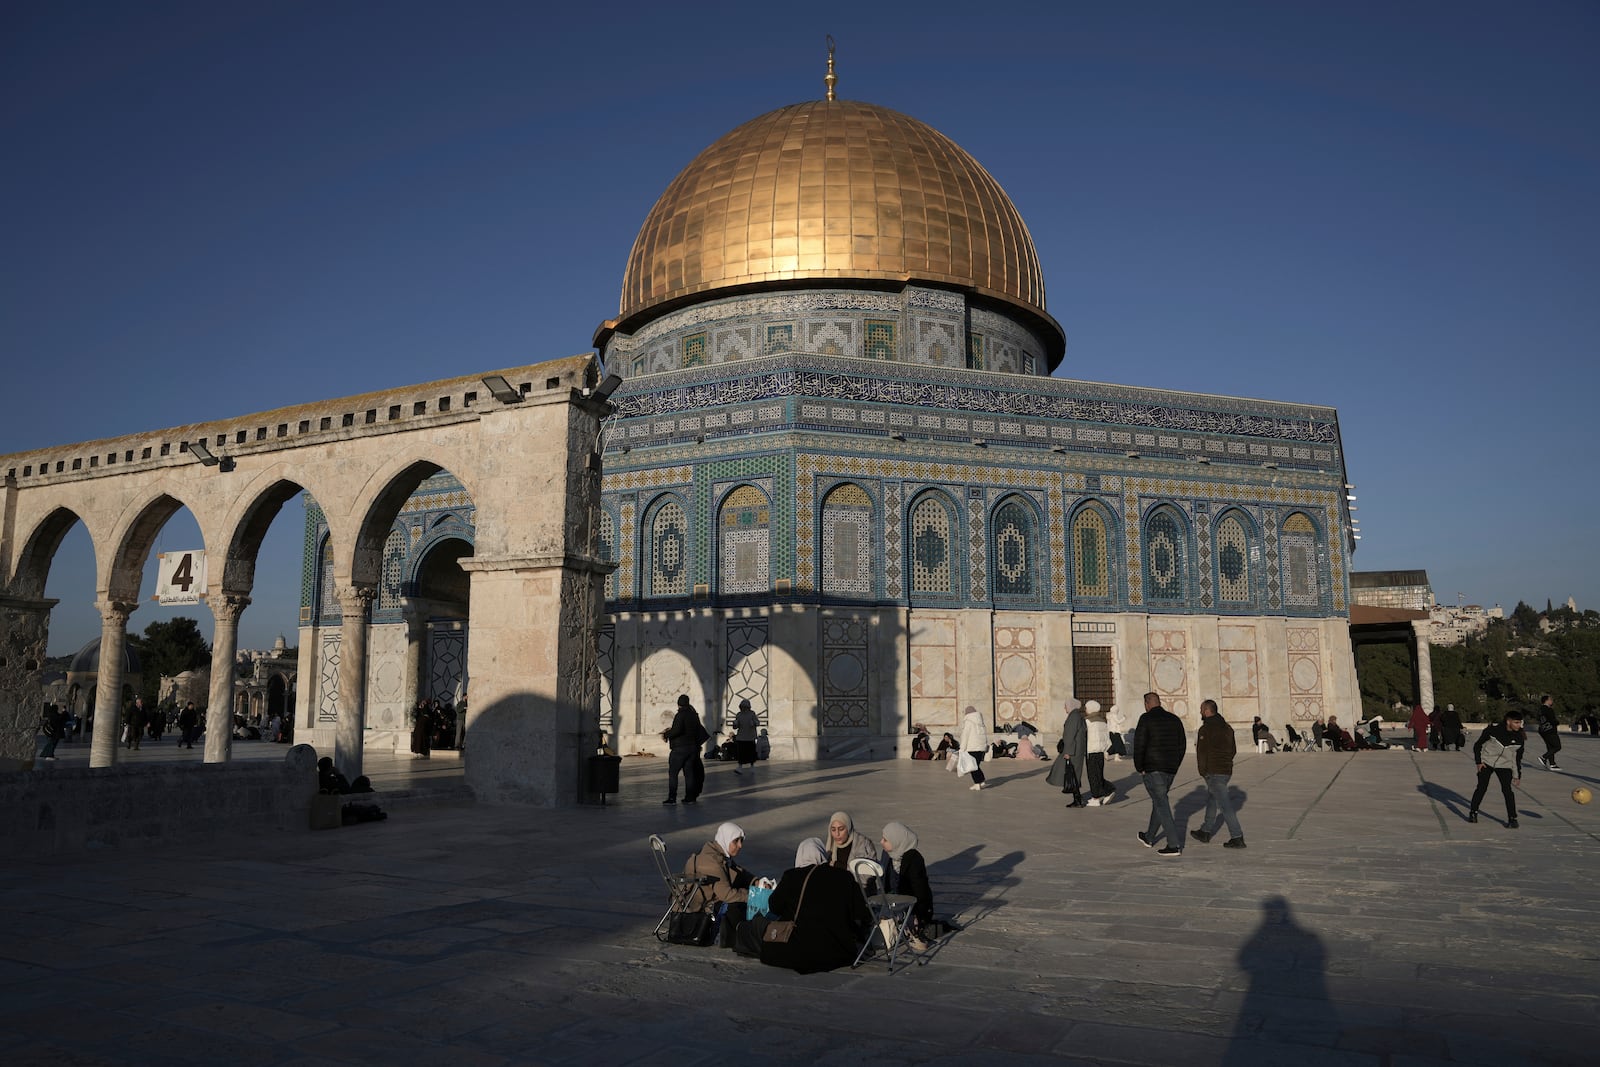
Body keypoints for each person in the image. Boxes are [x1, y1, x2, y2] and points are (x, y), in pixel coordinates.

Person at [750, 837, 871, 973]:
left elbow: (774, 907)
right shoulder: (844, 877)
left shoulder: (791, 876)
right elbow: (862, 912)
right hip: (838, 953)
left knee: (757, 924)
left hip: (796, 952)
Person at [1134, 691, 1186, 857]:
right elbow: (1182, 745)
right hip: (1170, 769)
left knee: (1162, 804)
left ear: (1147, 704)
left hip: (1153, 768)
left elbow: (1140, 744)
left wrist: (1139, 766)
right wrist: (1175, 764)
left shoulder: (1146, 718)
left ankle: (1174, 844)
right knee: (1159, 801)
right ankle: (1149, 837)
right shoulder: (1174, 719)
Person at [686, 821, 753, 946]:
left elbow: (739, 872)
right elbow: (726, 895)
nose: (740, 846)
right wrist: (753, 895)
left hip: (709, 903)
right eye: (736, 841)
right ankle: (732, 935)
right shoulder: (711, 861)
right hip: (699, 910)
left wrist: (756, 881)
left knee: (740, 889)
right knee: (736, 901)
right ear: (725, 840)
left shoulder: (720, 855)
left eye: (741, 841)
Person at [1191, 699, 1245, 849]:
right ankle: (1205, 831)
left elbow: (1201, 753)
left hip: (1214, 771)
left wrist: (1203, 771)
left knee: (1225, 806)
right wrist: (1226, 762)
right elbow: (1233, 750)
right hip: (1226, 770)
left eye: (1202, 710)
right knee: (1212, 800)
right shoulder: (1228, 728)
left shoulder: (1205, 729)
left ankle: (1237, 836)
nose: (1200, 712)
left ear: (1208, 711)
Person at [880, 820, 933, 950]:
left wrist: (919, 916)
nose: (881, 842)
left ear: (897, 841)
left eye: (885, 840)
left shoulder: (913, 859)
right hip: (892, 900)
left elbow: (920, 890)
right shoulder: (887, 855)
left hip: (912, 905)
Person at [1469, 709, 1526, 828]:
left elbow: (1517, 759)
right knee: (1482, 787)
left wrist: (1517, 775)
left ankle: (1512, 818)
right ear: (1508, 721)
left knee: (1507, 791)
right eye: (1516, 722)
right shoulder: (1493, 731)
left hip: (1504, 765)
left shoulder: (1519, 738)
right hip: (1487, 763)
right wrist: (1479, 762)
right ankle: (1473, 812)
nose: (1519, 725)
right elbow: (1477, 745)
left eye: (1520, 722)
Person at [662, 694, 707, 804]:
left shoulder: (680, 715)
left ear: (679, 704)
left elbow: (677, 730)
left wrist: (666, 734)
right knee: (689, 774)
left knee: (673, 774)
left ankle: (672, 798)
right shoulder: (694, 715)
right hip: (692, 749)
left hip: (680, 749)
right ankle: (690, 797)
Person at [824, 811, 880, 886]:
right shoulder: (830, 847)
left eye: (841, 829)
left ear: (848, 828)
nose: (837, 834)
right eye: (833, 830)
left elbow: (867, 877)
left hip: (862, 894)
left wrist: (843, 867)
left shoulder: (863, 844)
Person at [1083, 700, 1116, 805]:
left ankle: (1097, 797)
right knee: (1098, 773)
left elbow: (1084, 736)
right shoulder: (1102, 721)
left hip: (1091, 750)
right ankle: (1104, 792)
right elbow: (1107, 737)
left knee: (1092, 775)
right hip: (1100, 751)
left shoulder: (1087, 721)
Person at [959, 705, 989, 790]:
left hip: (972, 747)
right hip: (980, 748)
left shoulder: (969, 722)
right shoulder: (981, 723)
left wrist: (962, 748)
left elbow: (965, 736)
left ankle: (977, 784)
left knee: (972, 767)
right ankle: (981, 781)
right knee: (976, 765)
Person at [732, 699, 760, 774]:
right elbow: (735, 727)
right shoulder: (739, 715)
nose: (744, 708)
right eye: (742, 707)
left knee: (751, 753)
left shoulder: (752, 714)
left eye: (745, 707)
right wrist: (735, 724)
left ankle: (752, 767)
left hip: (750, 737)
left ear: (748, 707)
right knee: (741, 753)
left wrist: (753, 722)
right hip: (741, 737)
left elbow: (758, 723)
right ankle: (740, 767)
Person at [1534, 694, 1561, 770]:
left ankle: (1552, 764)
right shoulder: (1549, 709)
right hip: (1550, 730)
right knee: (1557, 746)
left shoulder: (1540, 709)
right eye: (1550, 700)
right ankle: (1543, 757)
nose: (1552, 701)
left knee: (1550, 747)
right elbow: (1552, 720)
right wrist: (1556, 722)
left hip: (1543, 730)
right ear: (1547, 701)